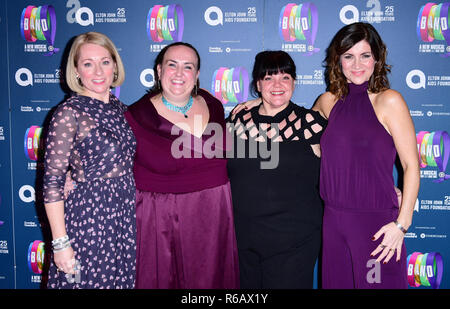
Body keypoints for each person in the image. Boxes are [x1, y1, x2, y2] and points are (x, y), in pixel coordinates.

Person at [124, 42, 239, 289]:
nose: (179, 73)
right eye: (172, 65)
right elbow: (110, 160)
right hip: (158, 220)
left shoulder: (214, 106)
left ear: (197, 75)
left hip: (212, 218)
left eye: (188, 67)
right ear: (158, 70)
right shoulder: (135, 116)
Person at [313, 22, 420, 288]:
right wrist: (258, 103)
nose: (356, 64)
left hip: (375, 226)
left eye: (365, 55)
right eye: (348, 56)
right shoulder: (328, 101)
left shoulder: (389, 101)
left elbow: (411, 165)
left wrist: (402, 224)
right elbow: (296, 125)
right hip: (333, 222)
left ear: (377, 59)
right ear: (338, 61)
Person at [43, 32, 136, 288]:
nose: (98, 71)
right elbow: (52, 183)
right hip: (89, 219)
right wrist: (61, 243)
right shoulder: (68, 113)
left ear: (115, 66)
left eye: (105, 62)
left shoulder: (121, 109)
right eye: (87, 63)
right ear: (76, 70)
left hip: (123, 217)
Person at [227, 50, 327, 288]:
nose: (277, 84)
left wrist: (385, 189)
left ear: (294, 82)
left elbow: (347, 166)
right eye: (269, 77)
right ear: (258, 84)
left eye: (285, 77)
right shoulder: (236, 122)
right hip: (243, 240)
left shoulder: (311, 124)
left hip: (294, 243)